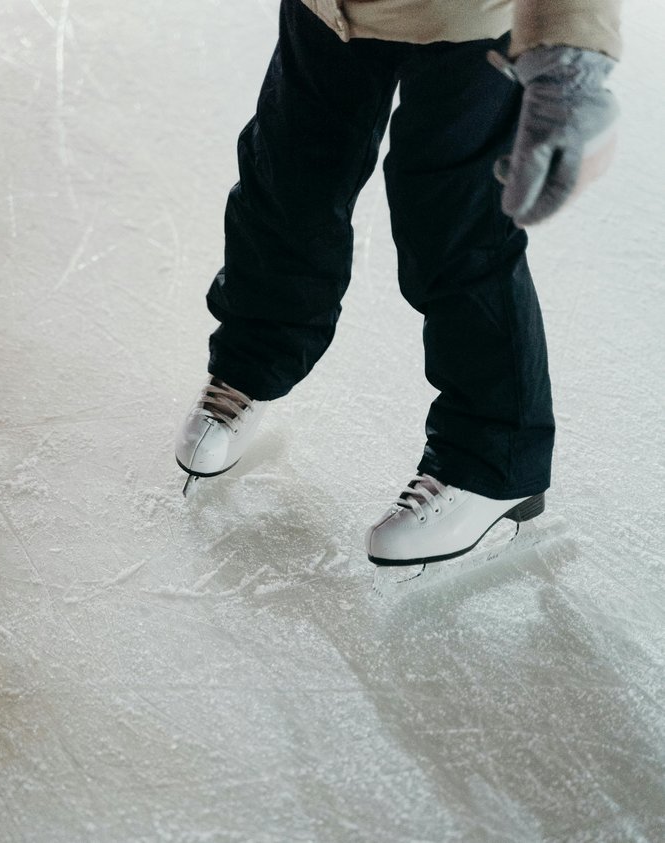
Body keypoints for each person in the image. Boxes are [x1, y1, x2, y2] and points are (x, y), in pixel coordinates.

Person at [175, 0, 621, 566]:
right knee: (288, 177)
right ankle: (254, 361)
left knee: (454, 225)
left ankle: (494, 458)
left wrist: (572, 60)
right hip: (328, 9)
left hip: (466, 21)